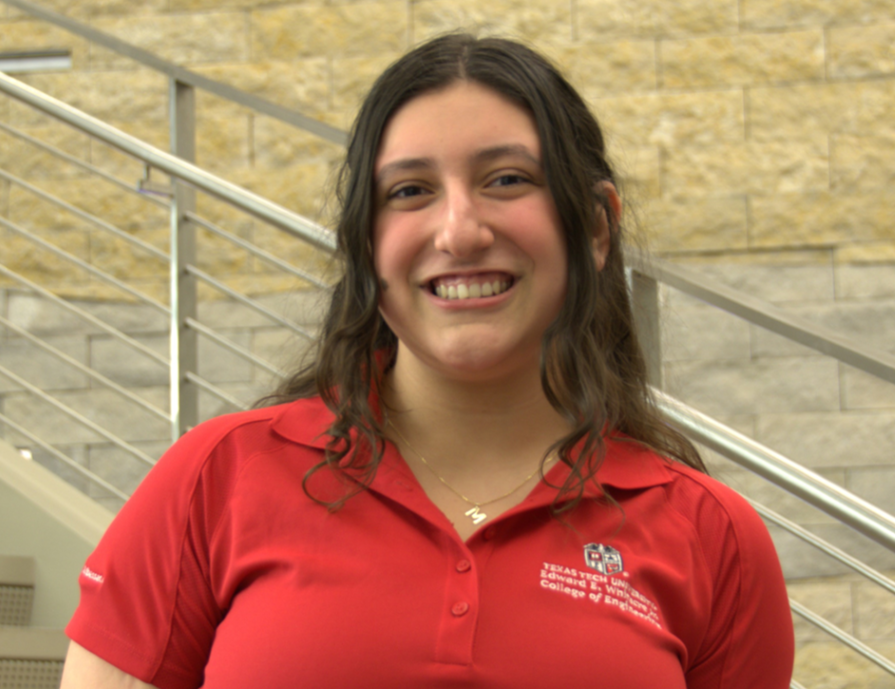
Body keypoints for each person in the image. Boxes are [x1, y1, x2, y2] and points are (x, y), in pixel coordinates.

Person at [61, 33, 794, 688]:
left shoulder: (714, 536)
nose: (459, 230)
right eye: (409, 191)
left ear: (596, 226)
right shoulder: (214, 480)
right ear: (364, 243)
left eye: (505, 179)